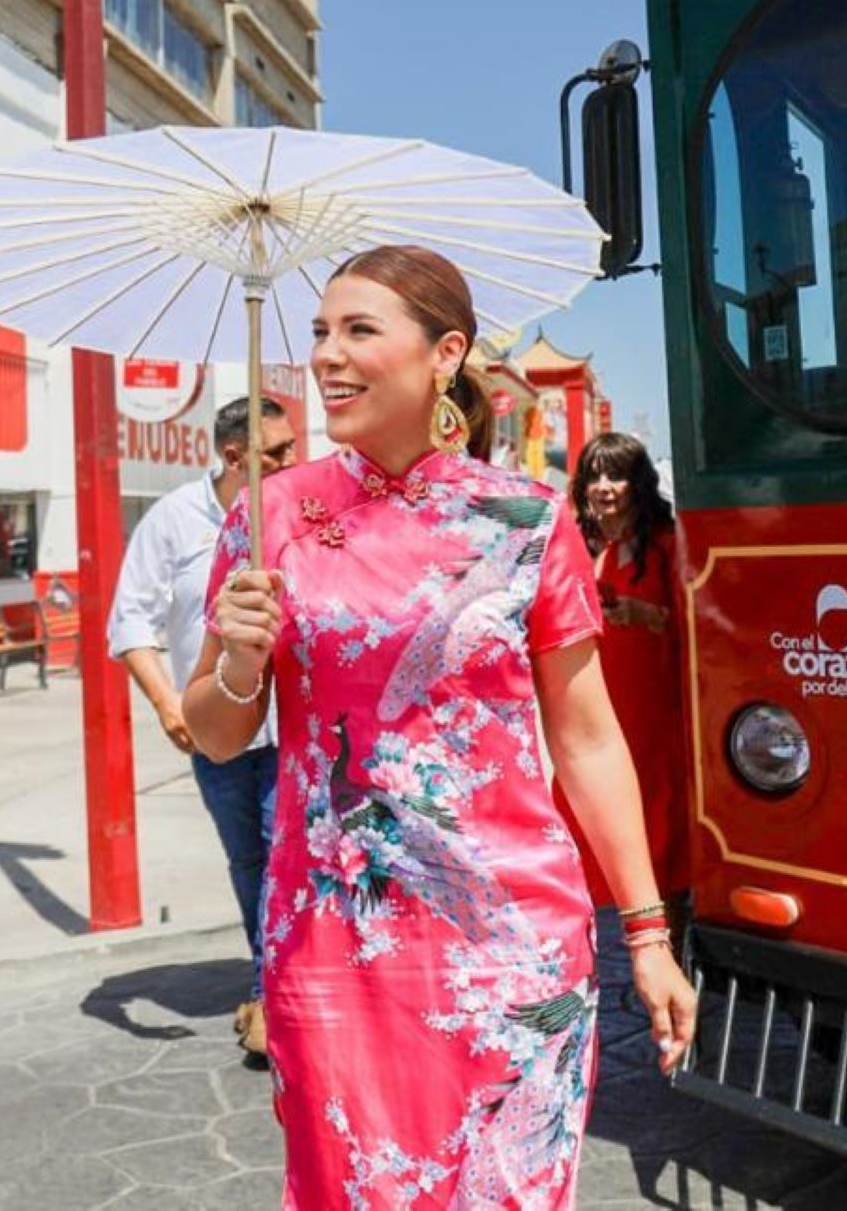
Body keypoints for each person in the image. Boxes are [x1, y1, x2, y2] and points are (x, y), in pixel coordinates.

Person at [184, 245, 697, 1207]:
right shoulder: (271, 514)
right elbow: (212, 731)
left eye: (359, 331)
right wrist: (238, 661)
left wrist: (647, 931)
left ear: (443, 353)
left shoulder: (528, 520)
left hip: (509, 943)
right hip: (337, 940)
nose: (327, 358)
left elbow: (587, 741)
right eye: (320, 333)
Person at [109, 397, 298, 1062]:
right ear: (232, 456)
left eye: (291, 447)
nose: (290, 461)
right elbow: (130, 620)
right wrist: (167, 702)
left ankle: (277, 996)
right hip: (214, 729)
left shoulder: (299, 512)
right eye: (275, 452)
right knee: (248, 859)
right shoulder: (173, 521)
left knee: (286, 856)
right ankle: (270, 982)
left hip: (289, 726)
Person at [561, 433, 688, 906]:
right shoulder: (575, 542)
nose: (604, 487)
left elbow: (696, 628)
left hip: (650, 706)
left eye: (616, 476)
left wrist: (646, 615)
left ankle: (659, 922)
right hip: (589, 698)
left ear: (639, 483)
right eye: (594, 476)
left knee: (655, 809)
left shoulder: (668, 544)